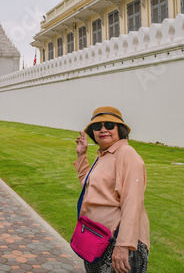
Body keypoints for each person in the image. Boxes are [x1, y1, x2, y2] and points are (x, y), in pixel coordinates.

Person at [74, 106, 149, 273]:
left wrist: (123, 245)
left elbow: (132, 202)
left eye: (109, 125)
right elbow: (92, 189)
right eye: (97, 126)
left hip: (119, 242)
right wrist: (81, 156)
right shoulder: (104, 154)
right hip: (98, 238)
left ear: (119, 129)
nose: (102, 130)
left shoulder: (126, 153)